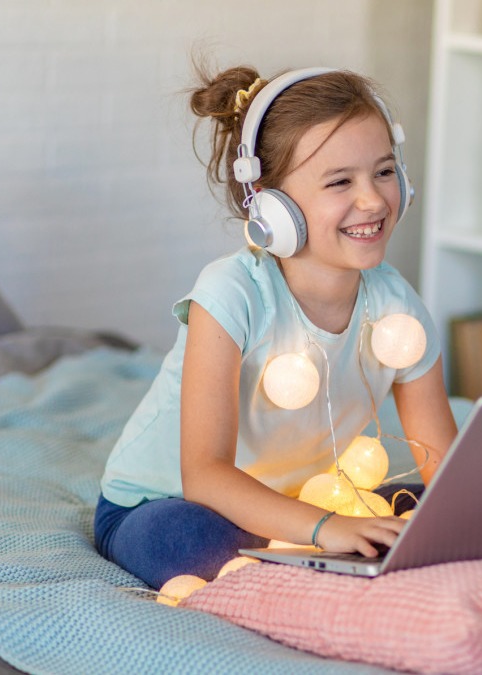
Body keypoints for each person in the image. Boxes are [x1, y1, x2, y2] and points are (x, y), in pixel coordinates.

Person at [93, 64, 459, 589]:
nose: (374, 200)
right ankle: (313, 559)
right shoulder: (230, 293)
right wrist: (327, 528)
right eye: (340, 182)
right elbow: (205, 475)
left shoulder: (397, 305)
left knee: (426, 510)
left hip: (306, 501)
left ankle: (314, 556)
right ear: (270, 203)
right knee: (186, 542)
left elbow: (443, 462)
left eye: (383, 172)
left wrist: (459, 520)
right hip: (170, 502)